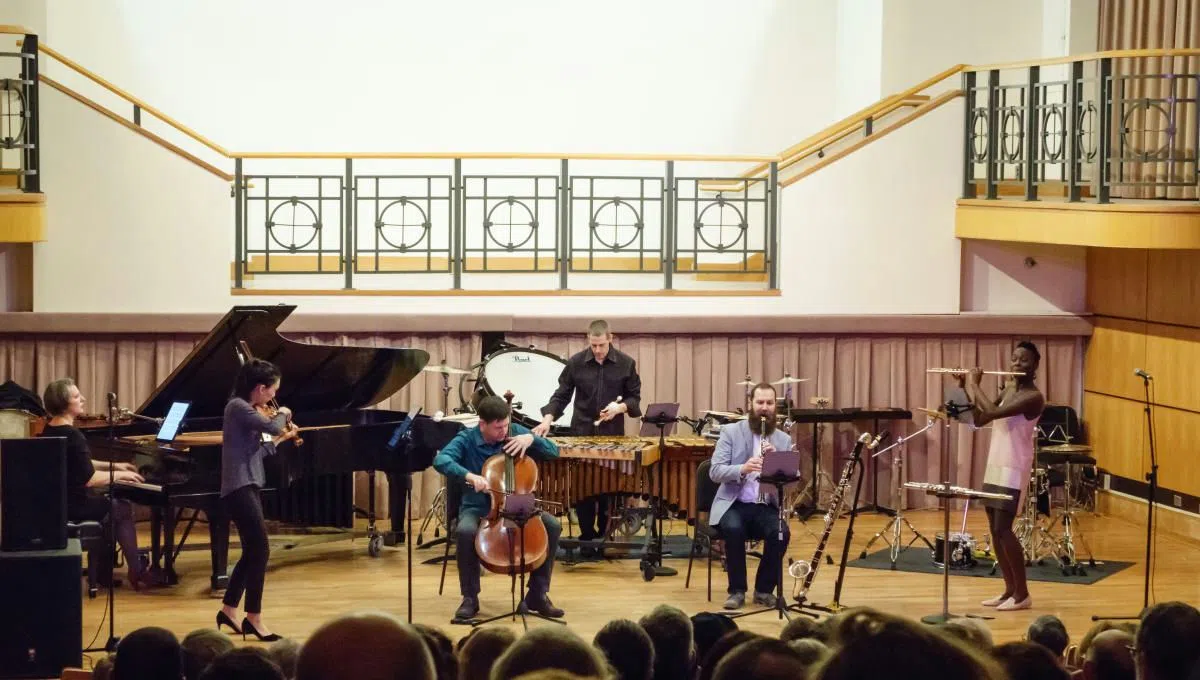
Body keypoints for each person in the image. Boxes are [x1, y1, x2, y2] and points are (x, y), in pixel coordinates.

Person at [433, 395, 563, 621]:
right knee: (465, 532)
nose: (504, 431)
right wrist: (469, 475)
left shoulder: (513, 430)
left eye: (505, 425)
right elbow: (441, 460)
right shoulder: (466, 439)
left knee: (552, 526)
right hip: (478, 508)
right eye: (498, 427)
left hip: (517, 505)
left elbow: (553, 451)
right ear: (482, 424)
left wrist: (531, 439)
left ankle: (537, 594)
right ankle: (470, 598)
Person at [954, 340, 1045, 612]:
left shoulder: (1032, 397)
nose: (1017, 364)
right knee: (994, 530)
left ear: (1036, 365)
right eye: (1015, 359)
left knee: (1004, 529)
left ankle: (1023, 595)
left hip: (1013, 468)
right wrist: (962, 390)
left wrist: (973, 384)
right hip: (995, 464)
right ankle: (1009, 590)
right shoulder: (1008, 388)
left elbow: (992, 413)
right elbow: (979, 420)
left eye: (1024, 360)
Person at [532, 320, 642, 545]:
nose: (598, 350)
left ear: (610, 338)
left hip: (612, 435)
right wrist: (547, 420)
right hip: (581, 432)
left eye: (601, 345)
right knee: (584, 489)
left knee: (608, 490)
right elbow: (561, 395)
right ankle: (586, 537)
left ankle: (604, 535)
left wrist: (619, 408)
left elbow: (634, 398)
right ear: (588, 340)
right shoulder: (576, 363)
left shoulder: (626, 364)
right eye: (594, 346)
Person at [216, 358, 298, 642]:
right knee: (261, 549)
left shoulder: (245, 411)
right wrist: (284, 414)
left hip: (247, 483)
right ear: (260, 388)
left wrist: (282, 440)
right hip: (239, 488)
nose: (274, 397)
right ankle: (254, 617)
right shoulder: (237, 407)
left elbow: (257, 452)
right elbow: (273, 425)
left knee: (252, 551)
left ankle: (228, 609)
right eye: (272, 391)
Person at [39, 378, 148, 589]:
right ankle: (137, 570)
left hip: (58, 503)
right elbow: (88, 479)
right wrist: (121, 476)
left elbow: (81, 464)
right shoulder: (73, 435)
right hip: (74, 506)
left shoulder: (50, 429)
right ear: (65, 404)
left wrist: (115, 466)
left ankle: (102, 575)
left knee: (110, 506)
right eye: (77, 397)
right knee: (122, 508)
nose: (83, 399)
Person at [706, 382, 794, 610]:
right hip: (734, 503)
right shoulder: (731, 432)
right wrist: (743, 469)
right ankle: (737, 591)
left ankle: (764, 590)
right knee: (734, 529)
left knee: (781, 532)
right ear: (750, 405)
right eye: (760, 403)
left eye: (769, 403)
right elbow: (715, 471)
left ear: (775, 406)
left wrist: (777, 464)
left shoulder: (783, 439)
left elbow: (792, 480)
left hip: (765, 506)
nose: (764, 408)